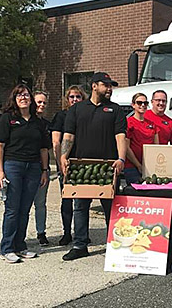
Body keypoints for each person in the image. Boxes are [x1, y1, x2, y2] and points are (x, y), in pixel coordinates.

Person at [60, 72, 127, 261]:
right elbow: (69, 136)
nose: (110, 89)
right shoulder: (77, 109)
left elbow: (120, 136)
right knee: (80, 206)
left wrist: (121, 159)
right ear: (94, 86)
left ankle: (114, 244)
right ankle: (80, 245)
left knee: (111, 208)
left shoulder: (115, 110)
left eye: (111, 85)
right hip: (82, 166)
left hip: (107, 167)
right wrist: (64, 157)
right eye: (106, 85)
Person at [0, 84, 50, 263]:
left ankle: (20, 245)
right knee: (12, 209)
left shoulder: (38, 122)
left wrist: (44, 170)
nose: (23, 98)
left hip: (33, 168)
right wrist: (0, 171)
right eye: (19, 95)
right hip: (13, 166)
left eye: (26, 95)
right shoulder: (7, 119)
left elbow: (43, 149)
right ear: (14, 99)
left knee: (25, 209)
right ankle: (7, 247)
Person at [51, 85, 87, 246]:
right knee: (67, 200)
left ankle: (82, 234)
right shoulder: (61, 116)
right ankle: (67, 233)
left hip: (83, 164)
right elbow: (56, 142)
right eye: (72, 97)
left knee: (82, 202)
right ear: (67, 99)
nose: (74, 99)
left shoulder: (85, 115)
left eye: (78, 97)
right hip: (66, 164)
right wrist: (60, 164)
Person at [125, 93, 159, 184]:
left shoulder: (152, 124)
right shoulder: (128, 123)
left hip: (149, 167)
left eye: (145, 103)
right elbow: (126, 148)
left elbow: (157, 147)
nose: (143, 105)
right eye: (139, 103)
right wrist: (138, 165)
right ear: (133, 105)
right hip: (132, 167)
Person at [33, 91, 51, 246]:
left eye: (44, 103)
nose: (41, 105)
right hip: (26, 168)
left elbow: (47, 147)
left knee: (40, 203)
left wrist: (45, 169)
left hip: (42, 168)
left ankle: (41, 232)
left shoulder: (46, 124)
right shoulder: (26, 122)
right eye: (39, 102)